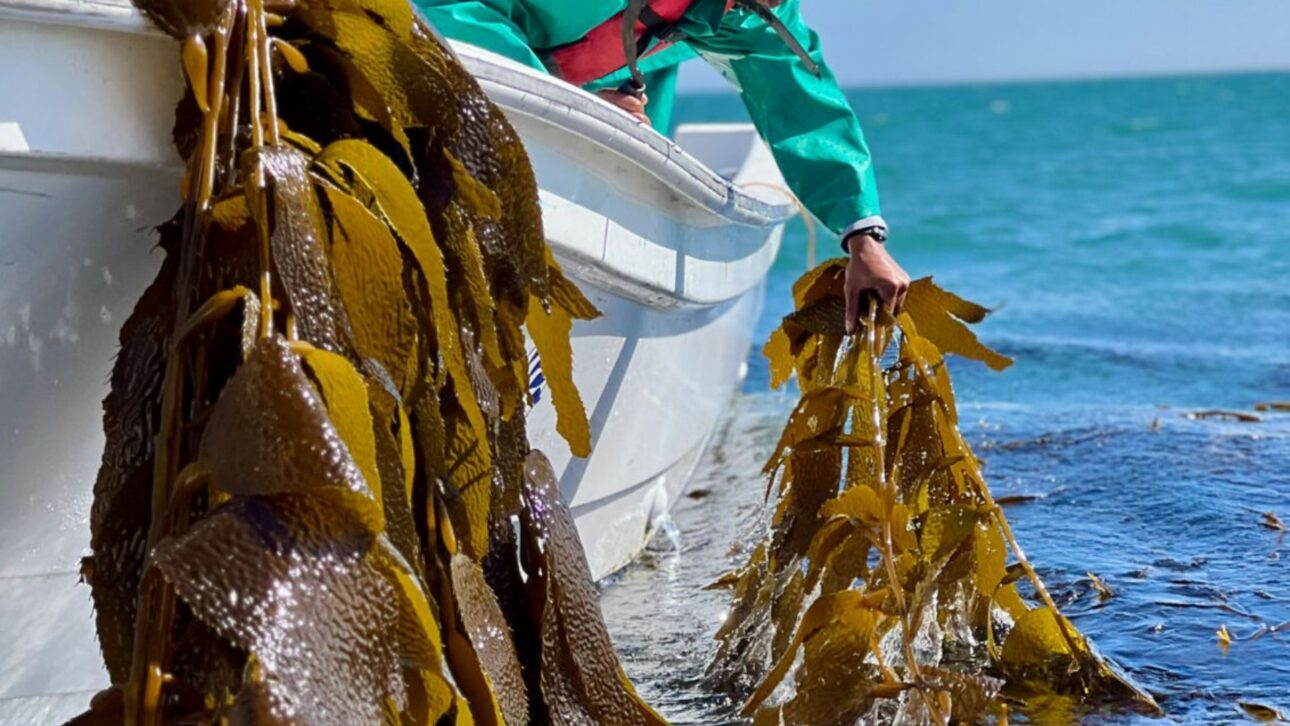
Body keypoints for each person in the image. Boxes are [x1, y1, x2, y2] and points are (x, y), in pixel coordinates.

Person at [418, 0, 911, 331]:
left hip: (621, 64)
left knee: (639, 140)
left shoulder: (753, 12)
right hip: (441, 75)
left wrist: (863, 238)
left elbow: (802, 104)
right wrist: (573, 103)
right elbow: (447, 9)